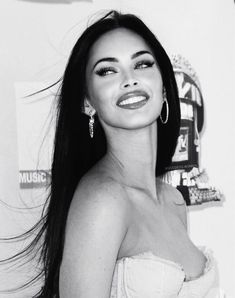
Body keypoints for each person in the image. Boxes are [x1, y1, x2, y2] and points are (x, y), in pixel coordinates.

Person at [3, 10, 221, 298]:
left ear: (165, 89)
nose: (129, 80)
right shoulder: (103, 200)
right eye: (107, 70)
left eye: (142, 64)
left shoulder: (174, 202)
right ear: (87, 101)